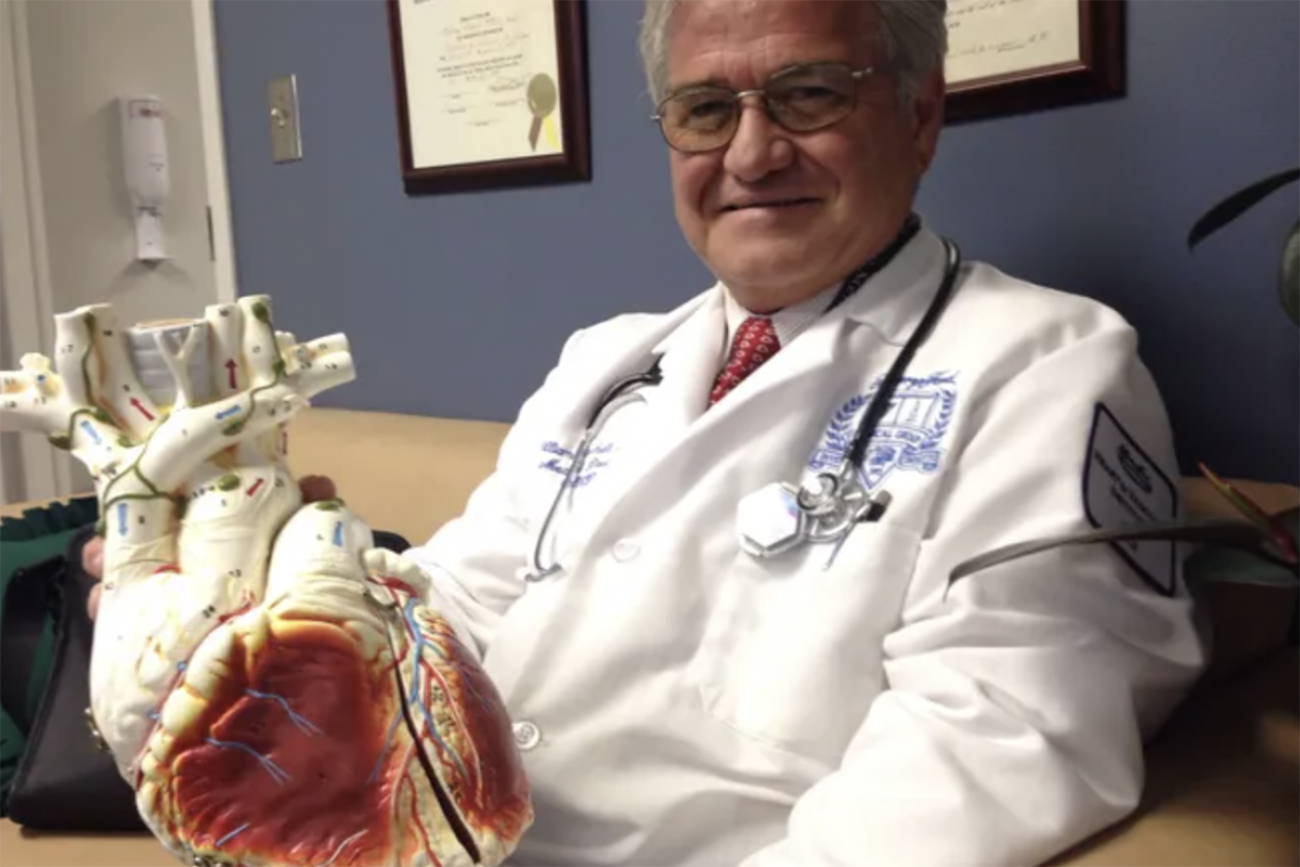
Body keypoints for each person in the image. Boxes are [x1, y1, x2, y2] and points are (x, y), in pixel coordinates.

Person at [87, 0, 1208, 864]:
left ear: (918, 116)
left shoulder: (1048, 365)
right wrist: (286, 619)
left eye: (809, 95)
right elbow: (466, 597)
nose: (753, 153)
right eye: (705, 111)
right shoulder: (608, 359)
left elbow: (1003, 740)